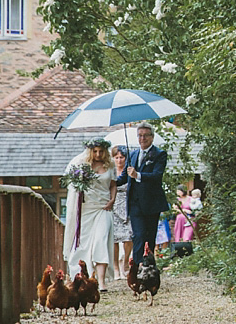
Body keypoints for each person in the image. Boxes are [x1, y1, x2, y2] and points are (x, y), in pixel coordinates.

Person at [62, 137, 117, 289]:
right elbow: (72, 184)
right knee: (83, 243)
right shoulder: (82, 165)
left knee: (101, 240)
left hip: (103, 207)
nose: (98, 154)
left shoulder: (110, 164)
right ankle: (80, 276)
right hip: (86, 208)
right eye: (95, 151)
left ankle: (101, 281)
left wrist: (112, 200)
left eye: (101, 151)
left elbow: (113, 185)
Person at [116, 122, 169, 266]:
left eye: (145, 135)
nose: (142, 138)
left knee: (149, 236)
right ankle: (137, 268)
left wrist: (138, 175)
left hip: (152, 203)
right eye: (140, 135)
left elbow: (157, 176)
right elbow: (123, 178)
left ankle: (149, 266)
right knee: (138, 235)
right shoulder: (132, 154)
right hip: (134, 203)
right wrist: (109, 182)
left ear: (152, 137)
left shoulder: (159, 154)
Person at [110, 144, 134, 280]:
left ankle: (125, 263)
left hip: (127, 206)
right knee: (114, 239)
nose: (119, 160)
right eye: (117, 157)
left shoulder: (128, 171)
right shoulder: (111, 171)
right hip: (113, 206)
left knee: (128, 237)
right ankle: (115, 268)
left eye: (122, 157)